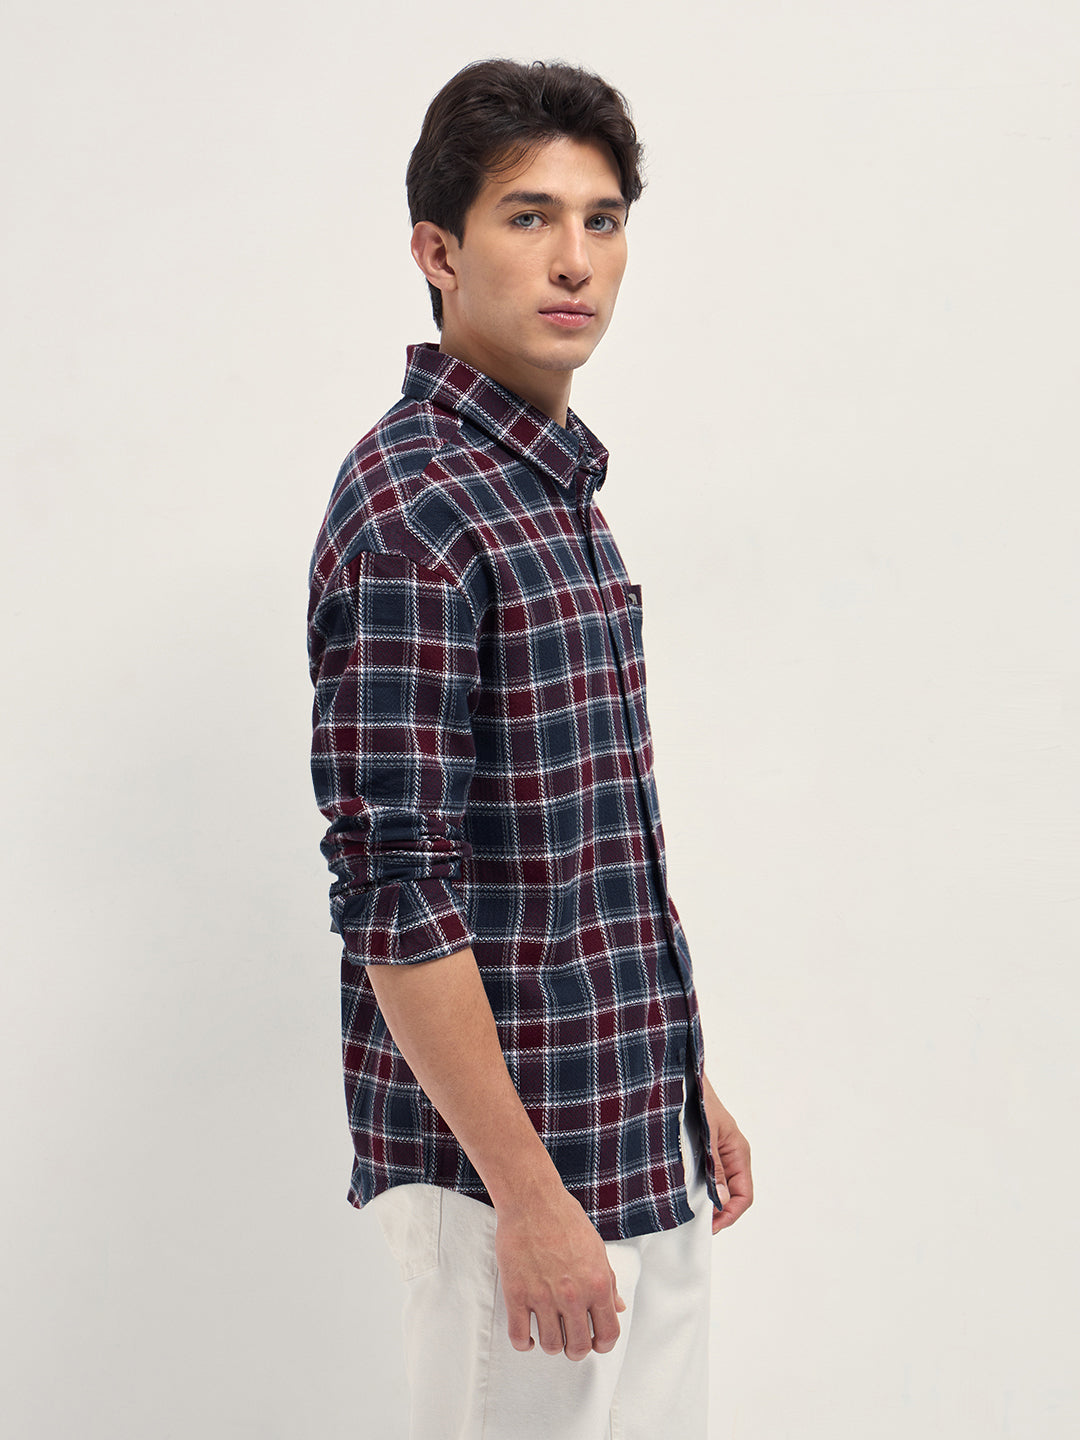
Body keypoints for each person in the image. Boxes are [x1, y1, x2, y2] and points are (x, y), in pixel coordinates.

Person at [307, 57, 752, 1440]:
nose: (575, 259)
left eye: (602, 219)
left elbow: (576, 853)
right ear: (437, 252)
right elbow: (399, 892)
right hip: (515, 1190)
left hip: (633, 1137)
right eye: (528, 216)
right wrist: (527, 1195)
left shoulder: (548, 486)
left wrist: (682, 1079)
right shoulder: (417, 512)